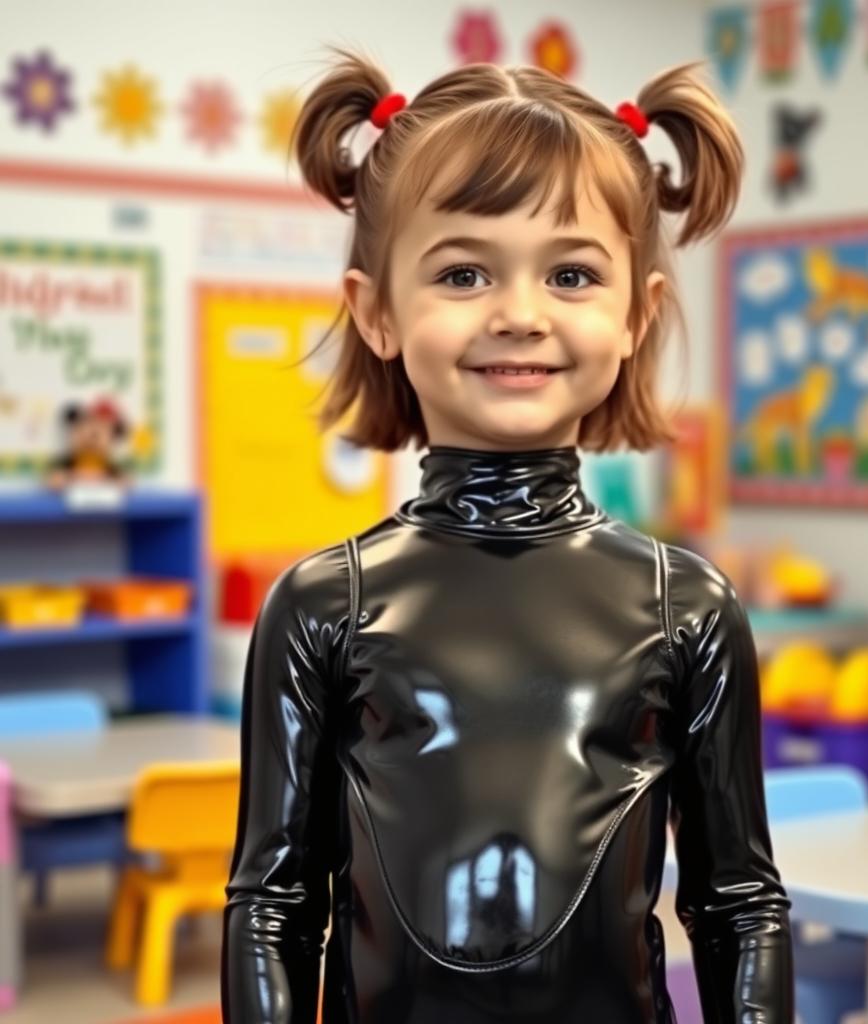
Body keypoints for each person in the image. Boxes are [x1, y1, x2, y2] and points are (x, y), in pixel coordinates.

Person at [222, 46, 794, 1024]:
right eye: (462, 271)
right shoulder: (324, 604)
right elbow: (273, 905)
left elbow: (738, 904)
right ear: (377, 310)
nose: (519, 314)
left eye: (571, 273)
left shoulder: (684, 605)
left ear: (633, 317)